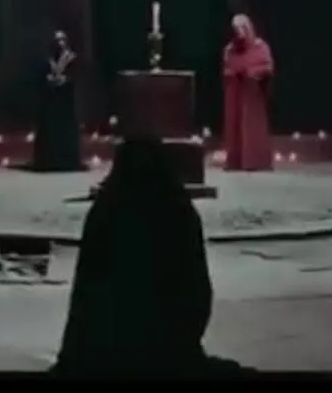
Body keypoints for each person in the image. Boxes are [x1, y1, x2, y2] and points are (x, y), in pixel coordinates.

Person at [52, 138, 252, 378]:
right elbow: (196, 293)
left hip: (101, 353)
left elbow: (86, 293)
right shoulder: (177, 210)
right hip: (170, 353)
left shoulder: (107, 210)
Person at [222, 14, 274, 172]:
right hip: (235, 93)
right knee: (235, 126)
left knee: (252, 126)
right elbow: (227, 68)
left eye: (242, 28)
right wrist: (232, 73)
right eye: (236, 29)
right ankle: (235, 160)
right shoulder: (230, 49)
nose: (239, 32)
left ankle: (255, 161)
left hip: (252, 94)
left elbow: (268, 67)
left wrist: (253, 72)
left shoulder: (260, 46)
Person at [30, 30, 86, 172]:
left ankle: (68, 161)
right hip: (51, 103)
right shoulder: (47, 60)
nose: (59, 43)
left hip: (66, 103)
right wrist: (48, 80)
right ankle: (48, 161)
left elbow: (77, 76)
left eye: (61, 40)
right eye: (56, 41)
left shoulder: (72, 58)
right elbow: (40, 76)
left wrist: (65, 80)